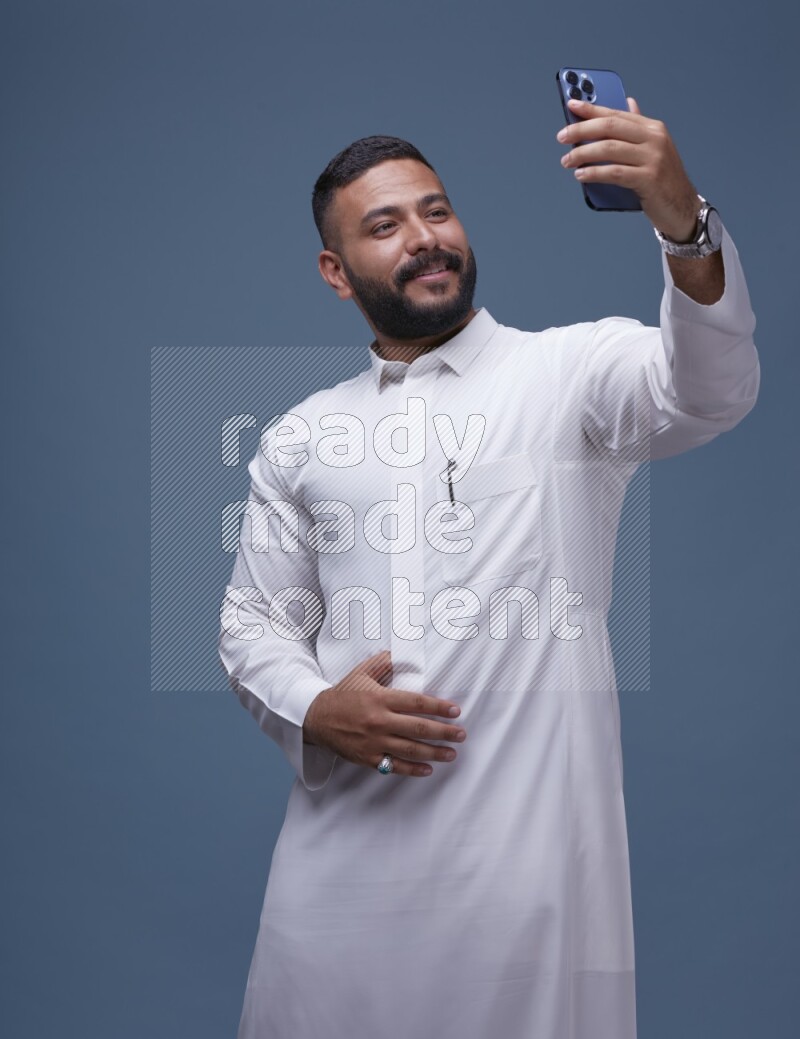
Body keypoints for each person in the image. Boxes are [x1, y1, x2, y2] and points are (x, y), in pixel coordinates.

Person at [218, 96, 759, 1039]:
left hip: (528, 888)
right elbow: (251, 624)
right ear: (336, 273)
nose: (425, 238)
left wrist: (685, 224)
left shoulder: (571, 372)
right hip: (338, 886)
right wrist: (315, 705)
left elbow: (706, 390)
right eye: (385, 226)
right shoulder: (300, 436)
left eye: (436, 210)